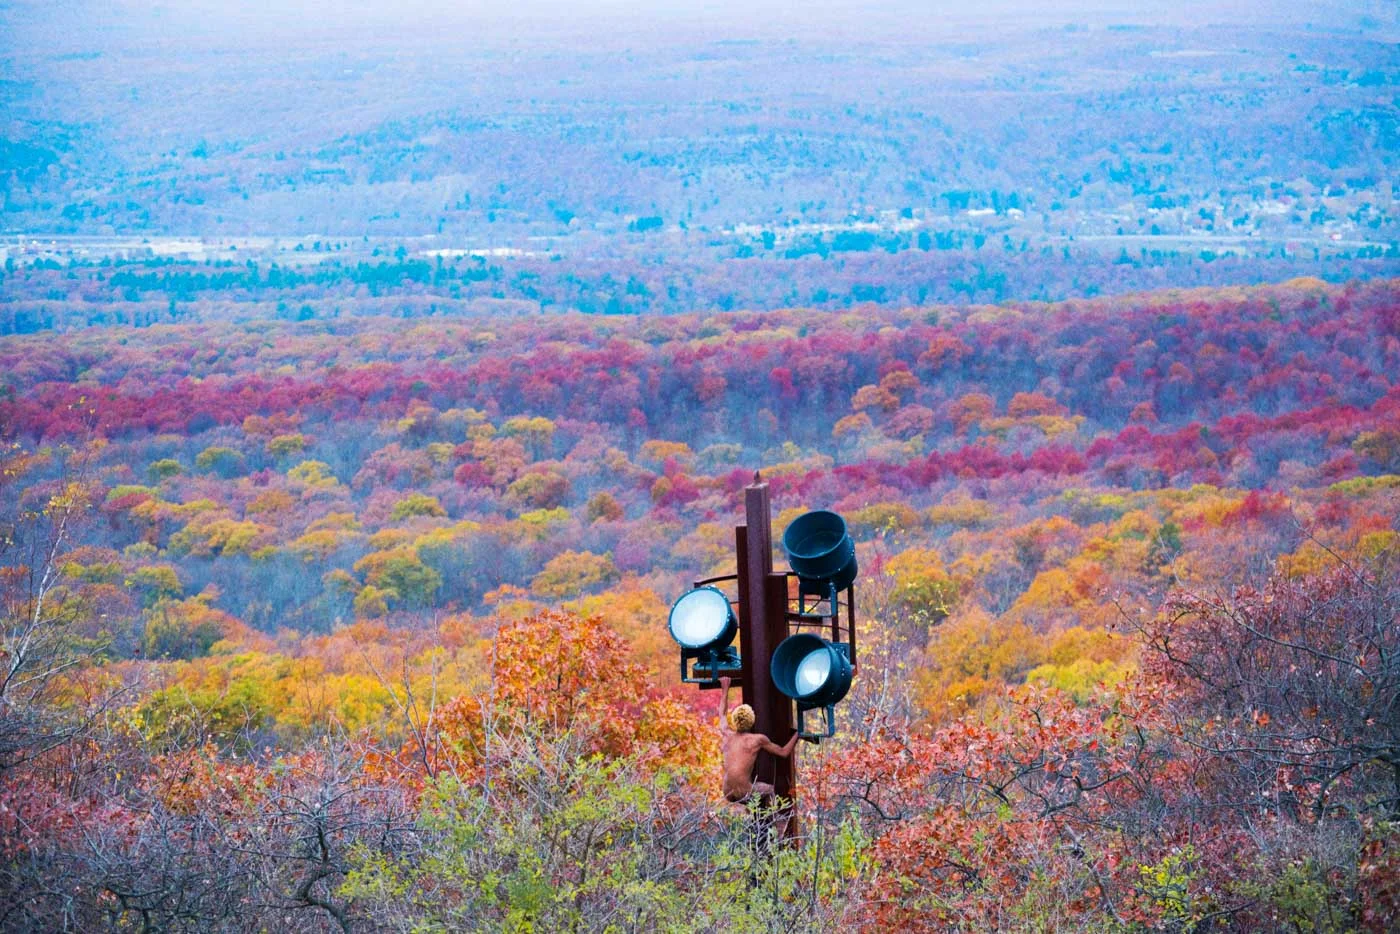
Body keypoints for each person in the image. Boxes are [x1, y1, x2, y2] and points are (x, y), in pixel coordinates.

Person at [717, 675, 798, 804]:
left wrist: (725, 689)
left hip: (727, 792)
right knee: (769, 789)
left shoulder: (727, 734)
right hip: (745, 792)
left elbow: (722, 714)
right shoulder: (757, 740)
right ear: (752, 721)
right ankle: (773, 815)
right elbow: (783, 752)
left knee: (748, 796)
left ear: (735, 720)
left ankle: (752, 810)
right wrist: (799, 733)